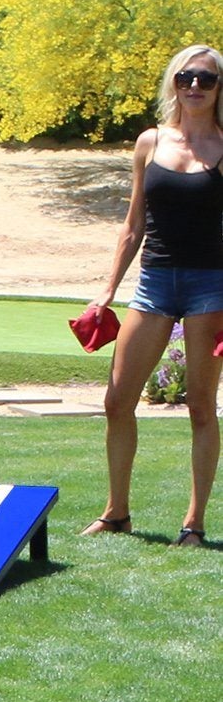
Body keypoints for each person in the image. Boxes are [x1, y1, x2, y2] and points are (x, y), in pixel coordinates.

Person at [76, 44, 223, 543]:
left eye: (206, 78)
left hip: (211, 285)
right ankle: (116, 513)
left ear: (219, 87)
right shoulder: (150, 142)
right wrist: (107, 291)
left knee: (201, 406)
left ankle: (194, 523)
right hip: (154, 282)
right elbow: (133, 224)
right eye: (186, 77)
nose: (195, 86)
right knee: (117, 400)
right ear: (173, 83)